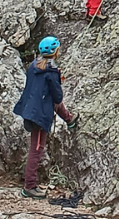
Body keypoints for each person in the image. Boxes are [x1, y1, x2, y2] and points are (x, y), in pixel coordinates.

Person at [12, 36, 76, 198]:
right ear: (55, 51)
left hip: (31, 109)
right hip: (39, 115)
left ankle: (69, 119)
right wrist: (57, 80)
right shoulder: (51, 71)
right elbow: (57, 97)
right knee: (36, 149)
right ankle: (29, 186)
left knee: (36, 147)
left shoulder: (34, 66)